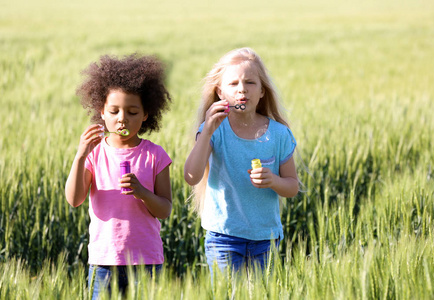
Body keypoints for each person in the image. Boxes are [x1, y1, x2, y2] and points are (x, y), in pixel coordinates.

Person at [65, 54, 172, 299]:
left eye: (132, 111)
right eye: (114, 111)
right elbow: (74, 199)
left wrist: (143, 193)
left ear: (146, 114)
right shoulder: (94, 154)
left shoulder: (155, 155)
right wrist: (81, 155)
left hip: (146, 262)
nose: (122, 118)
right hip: (104, 262)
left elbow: (165, 209)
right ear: (101, 111)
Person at [184, 47, 299, 274]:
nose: (242, 90)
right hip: (223, 236)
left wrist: (273, 180)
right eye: (233, 83)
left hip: (266, 238)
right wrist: (206, 131)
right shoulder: (214, 131)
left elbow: (292, 187)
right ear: (219, 92)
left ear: (262, 91)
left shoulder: (278, 134)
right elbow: (191, 176)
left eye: (250, 83)